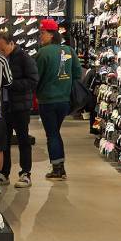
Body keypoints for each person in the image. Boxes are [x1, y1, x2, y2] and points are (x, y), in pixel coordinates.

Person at [0, 27, 39, 187]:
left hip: (20, 106)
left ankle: (25, 174)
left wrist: (10, 84)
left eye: (2, 49)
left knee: (23, 139)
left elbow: (32, 81)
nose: (0, 52)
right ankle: (4, 173)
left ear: (11, 43)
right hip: (3, 106)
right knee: (4, 141)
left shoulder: (24, 58)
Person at [34, 19, 79, 181]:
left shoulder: (43, 53)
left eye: (42, 33)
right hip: (65, 100)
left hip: (47, 100)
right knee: (55, 133)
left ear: (51, 34)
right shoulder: (69, 50)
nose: (40, 36)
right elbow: (78, 74)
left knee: (52, 134)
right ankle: (60, 166)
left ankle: (58, 168)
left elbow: (35, 78)